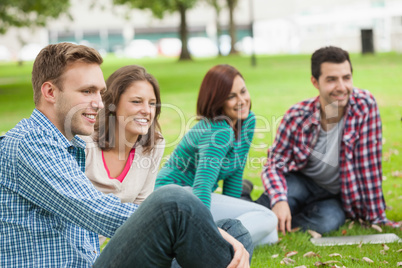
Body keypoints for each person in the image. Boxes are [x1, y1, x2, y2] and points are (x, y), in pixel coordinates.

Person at [0, 43, 253, 267]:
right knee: (174, 202)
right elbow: (97, 211)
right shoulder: (29, 144)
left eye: (100, 92)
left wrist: (211, 231)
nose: (99, 103)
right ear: (50, 92)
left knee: (235, 232)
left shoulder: (68, 143)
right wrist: (201, 227)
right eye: (87, 91)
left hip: (95, 260)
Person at [246, 46, 400, 236]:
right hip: (302, 181)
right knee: (269, 205)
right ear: (315, 82)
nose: (341, 87)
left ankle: (280, 224)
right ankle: (253, 204)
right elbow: (274, 164)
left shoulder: (364, 106)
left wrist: (377, 217)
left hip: (334, 194)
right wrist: (279, 200)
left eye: (346, 78)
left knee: (328, 221)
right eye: (331, 79)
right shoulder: (297, 116)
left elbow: (370, 166)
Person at [156, 64, 278, 246]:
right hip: (175, 198)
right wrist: (199, 230)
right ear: (217, 101)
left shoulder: (246, 121)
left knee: (270, 236)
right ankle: (205, 243)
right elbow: (202, 187)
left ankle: (222, 236)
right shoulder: (219, 132)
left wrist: (233, 215)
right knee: (267, 218)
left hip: (191, 197)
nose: (241, 100)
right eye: (231, 97)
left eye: (243, 92)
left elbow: (235, 173)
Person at [82, 65, 165, 245]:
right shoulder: (84, 143)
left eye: (152, 103)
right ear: (112, 104)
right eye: (136, 101)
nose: (147, 110)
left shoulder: (154, 146)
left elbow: (142, 210)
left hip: (113, 251)